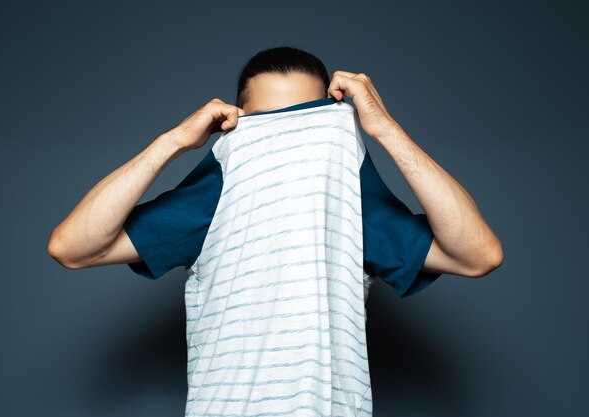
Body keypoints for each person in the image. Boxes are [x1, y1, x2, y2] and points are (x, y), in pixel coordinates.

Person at [48, 46, 503, 415]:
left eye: (308, 121)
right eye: (267, 126)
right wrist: (172, 142)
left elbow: (477, 255)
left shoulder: (346, 196)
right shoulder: (217, 190)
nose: (286, 140)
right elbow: (73, 247)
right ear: (234, 124)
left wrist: (385, 129)